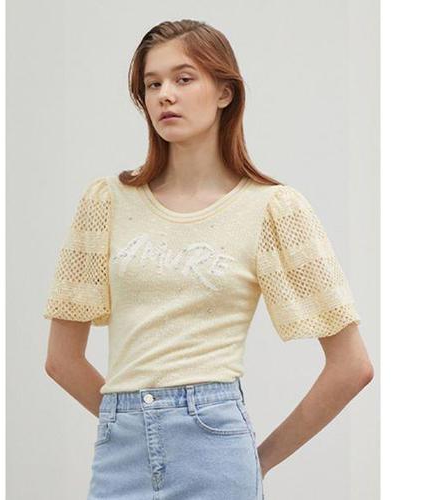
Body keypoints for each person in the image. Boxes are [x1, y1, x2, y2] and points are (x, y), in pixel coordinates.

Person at [43, 19, 373, 500]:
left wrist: (255, 461)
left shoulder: (272, 209)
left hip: (216, 452)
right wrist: (136, 421)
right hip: (119, 458)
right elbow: (60, 360)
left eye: (183, 78)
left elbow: (352, 366)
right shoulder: (106, 202)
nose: (165, 95)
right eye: (152, 84)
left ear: (224, 92)